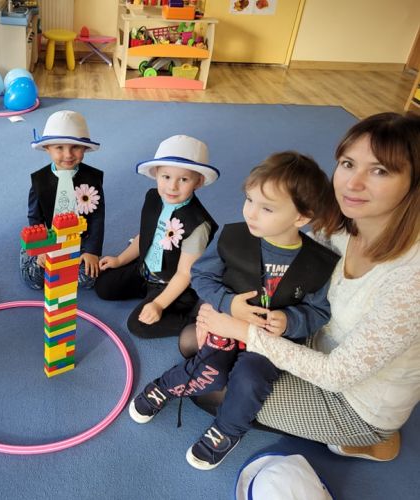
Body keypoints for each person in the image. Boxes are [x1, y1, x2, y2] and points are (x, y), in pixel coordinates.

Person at [196, 112, 420, 462]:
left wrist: (239, 329)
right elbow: (285, 264)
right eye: (348, 164)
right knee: (195, 349)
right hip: (308, 337)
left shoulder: (411, 279)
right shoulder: (340, 226)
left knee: (211, 390)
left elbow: (337, 375)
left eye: (379, 171)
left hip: (353, 401)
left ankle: (371, 441)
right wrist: (222, 306)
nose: (352, 183)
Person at [129, 151, 340, 470]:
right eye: (249, 200)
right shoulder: (232, 237)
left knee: (250, 379)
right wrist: (228, 303)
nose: (251, 212)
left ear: (301, 217)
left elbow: (318, 312)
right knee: (210, 372)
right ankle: (164, 386)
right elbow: (202, 275)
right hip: (224, 325)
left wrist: (290, 320)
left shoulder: (319, 263)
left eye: (266, 208)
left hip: (268, 343)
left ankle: (228, 430)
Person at [95, 135, 218, 338]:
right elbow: (145, 236)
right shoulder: (153, 198)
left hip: (174, 285)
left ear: (198, 181)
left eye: (184, 179)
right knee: (104, 285)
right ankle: (147, 294)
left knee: (138, 325)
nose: (172, 187)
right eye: (166, 177)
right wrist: (120, 260)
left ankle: (201, 323)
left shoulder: (197, 224)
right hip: (145, 271)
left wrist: (159, 304)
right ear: (156, 174)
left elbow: (184, 274)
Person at [21, 110, 104, 289]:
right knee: (35, 280)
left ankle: (71, 265)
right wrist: (41, 249)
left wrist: (92, 251)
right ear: (47, 148)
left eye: (75, 147)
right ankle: (27, 255)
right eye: (59, 147)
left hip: (79, 241)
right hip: (48, 239)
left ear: (85, 148)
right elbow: (35, 217)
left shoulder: (92, 179)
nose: (68, 155)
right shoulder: (39, 180)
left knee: (89, 278)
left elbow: (97, 218)